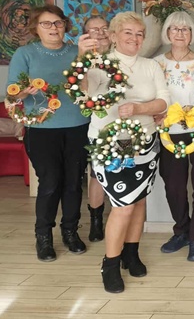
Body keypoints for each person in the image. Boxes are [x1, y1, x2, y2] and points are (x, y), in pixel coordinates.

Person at [87, 11, 170, 293]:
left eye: (139, 33)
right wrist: (83, 62)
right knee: (123, 205)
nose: (134, 38)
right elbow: (87, 97)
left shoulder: (151, 66)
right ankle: (109, 263)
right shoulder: (100, 64)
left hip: (146, 141)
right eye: (128, 33)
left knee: (139, 201)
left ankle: (130, 254)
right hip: (112, 143)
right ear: (113, 36)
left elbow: (163, 102)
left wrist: (139, 109)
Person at [7, 5, 96, 262]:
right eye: (46, 24)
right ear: (36, 28)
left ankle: (70, 231)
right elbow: (13, 93)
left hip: (78, 125)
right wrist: (25, 92)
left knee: (72, 182)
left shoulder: (74, 51)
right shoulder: (25, 54)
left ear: (65, 25)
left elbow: (86, 85)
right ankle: (43, 236)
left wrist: (81, 57)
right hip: (41, 129)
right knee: (50, 183)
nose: (53, 28)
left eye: (57, 23)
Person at [154, 12, 194, 262]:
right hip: (169, 132)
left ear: (192, 33)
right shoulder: (156, 63)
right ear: (167, 33)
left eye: (185, 29)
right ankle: (181, 229)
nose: (180, 33)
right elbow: (152, 95)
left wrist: (193, 112)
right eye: (174, 28)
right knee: (174, 185)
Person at [82, 15, 111, 243]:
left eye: (104, 28)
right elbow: (82, 91)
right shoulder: (84, 61)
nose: (100, 33)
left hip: (126, 130)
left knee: (125, 170)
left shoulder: (122, 56)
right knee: (97, 175)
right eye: (94, 30)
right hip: (99, 128)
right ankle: (96, 220)